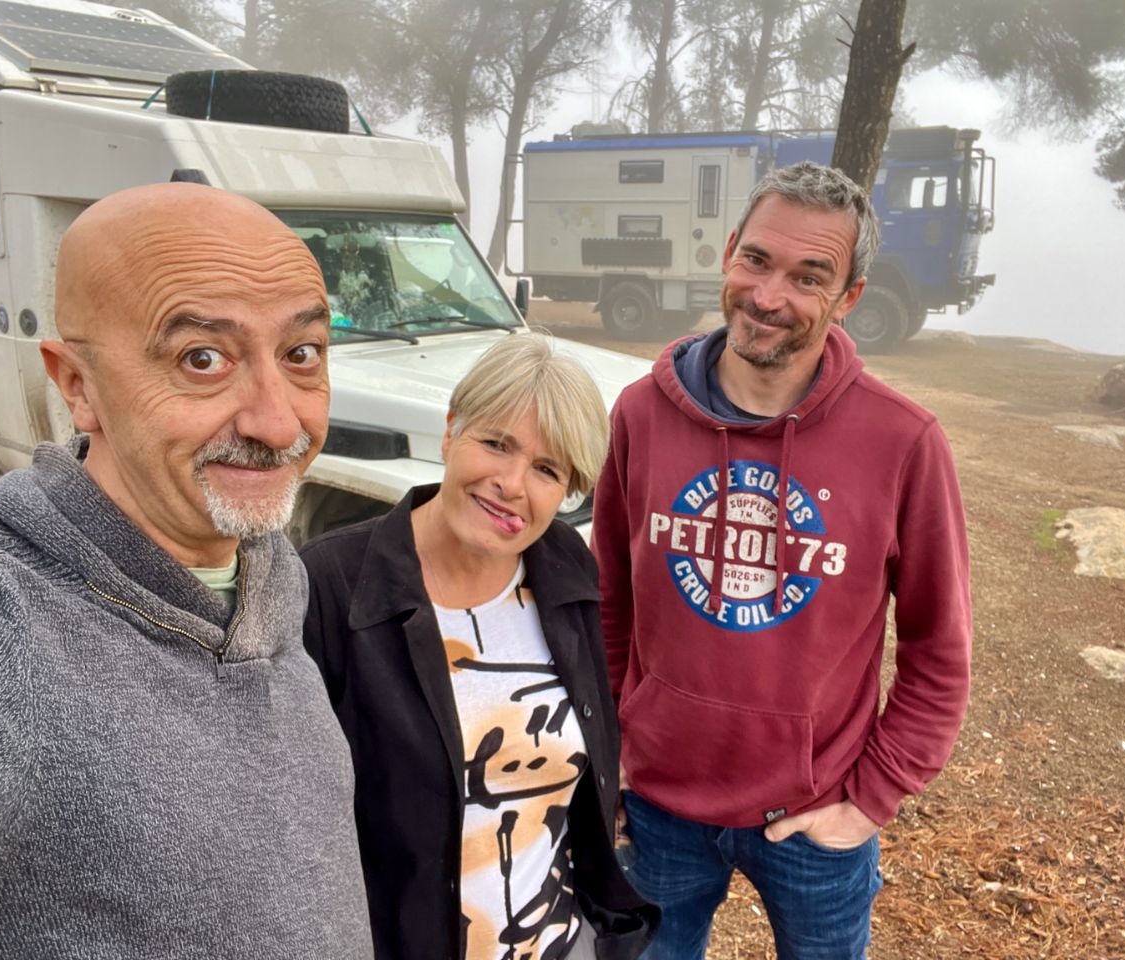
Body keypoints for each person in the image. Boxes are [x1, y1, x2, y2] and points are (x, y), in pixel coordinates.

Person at [0, 183, 373, 958]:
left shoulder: (270, 572)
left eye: (301, 354)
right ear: (79, 386)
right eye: (202, 358)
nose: (279, 423)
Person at [592, 161, 972, 959]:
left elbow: (938, 650)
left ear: (848, 297)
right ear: (729, 250)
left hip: (814, 818)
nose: (768, 296)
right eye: (757, 260)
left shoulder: (903, 442)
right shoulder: (640, 414)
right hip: (658, 806)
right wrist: (609, 750)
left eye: (808, 276)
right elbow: (609, 602)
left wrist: (869, 801)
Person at [301, 333, 658, 960]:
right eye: (496, 443)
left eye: (547, 470)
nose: (511, 484)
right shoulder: (332, 587)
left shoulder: (564, 566)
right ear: (449, 432)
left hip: (558, 942)